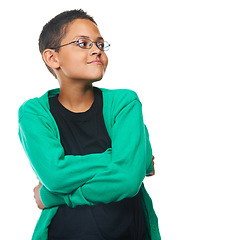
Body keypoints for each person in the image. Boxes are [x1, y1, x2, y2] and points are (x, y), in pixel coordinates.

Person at [18, 9, 160, 240]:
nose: (96, 50)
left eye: (100, 44)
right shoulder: (33, 112)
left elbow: (127, 180)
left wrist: (57, 196)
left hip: (130, 232)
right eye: (83, 43)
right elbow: (55, 176)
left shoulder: (125, 103)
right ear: (52, 58)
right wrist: (122, 159)